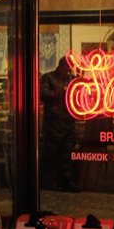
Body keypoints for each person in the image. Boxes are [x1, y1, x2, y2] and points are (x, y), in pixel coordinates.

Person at [40, 57, 79, 192]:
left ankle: (66, 182)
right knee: (52, 154)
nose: (68, 72)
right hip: (53, 123)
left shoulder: (71, 79)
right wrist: (59, 93)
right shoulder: (48, 78)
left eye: (70, 70)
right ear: (61, 66)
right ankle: (51, 182)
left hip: (68, 122)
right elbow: (42, 94)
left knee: (66, 155)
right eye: (67, 69)